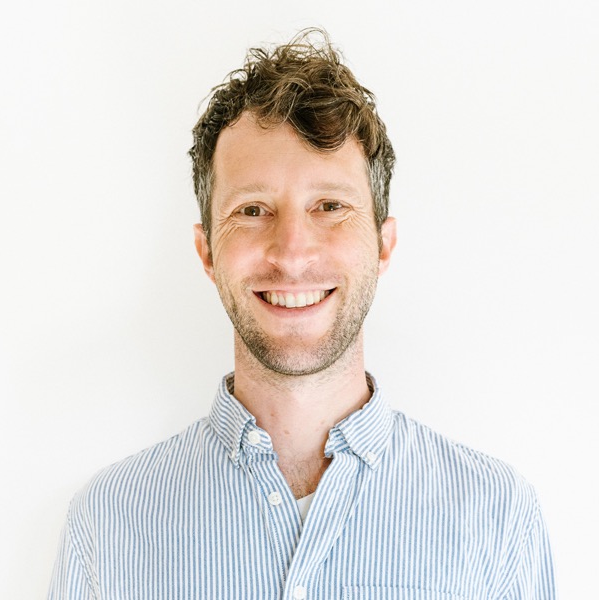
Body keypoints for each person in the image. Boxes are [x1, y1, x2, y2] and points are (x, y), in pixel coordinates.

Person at [48, 29, 556, 599]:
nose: (292, 254)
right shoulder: (107, 526)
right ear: (207, 252)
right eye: (253, 210)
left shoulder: (497, 520)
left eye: (330, 206)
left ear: (383, 244)